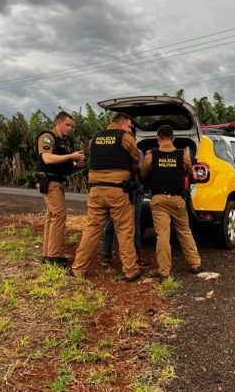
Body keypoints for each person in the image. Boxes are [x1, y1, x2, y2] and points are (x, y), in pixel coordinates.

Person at [71, 112, 141, 281]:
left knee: (92, 229)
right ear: (122, 123)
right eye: (130, 126)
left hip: (95, 191)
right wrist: (130, 175)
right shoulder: (125, 137)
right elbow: (136, 159)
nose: (130, 130)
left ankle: (78, 269)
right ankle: (131, 271)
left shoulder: (94, 138)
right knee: (124, 230)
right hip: (117, 191)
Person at [141, 124, 202, 281]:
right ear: (173, 138)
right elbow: (191, 172)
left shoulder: (151, 155)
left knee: (162, 235)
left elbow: (143, 174)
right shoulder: (183, 154)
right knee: (184, 230)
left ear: (158, 139)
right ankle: (195, 264)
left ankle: (164, 272)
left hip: (158, 200)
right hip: (177, 200)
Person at [35, 112, 85, 266]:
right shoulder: (47, 137)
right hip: (49, 181)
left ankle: (48, 254)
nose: (70, 128)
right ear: (59, 123)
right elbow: (47, 158)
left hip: (58, 181)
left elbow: (62, 163)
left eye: (71, 126)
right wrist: (71, 156)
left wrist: (76, 164)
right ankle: (53, 257)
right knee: (59, 215)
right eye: (67, 125)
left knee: (51, 217)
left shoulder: (63, 142)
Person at [101, 126, 148, 267]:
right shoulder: (138, 152)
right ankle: (136, 257)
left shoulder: (113, 152)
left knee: (111, 222)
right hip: (132, 191)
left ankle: (106, 256)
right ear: (134, 138)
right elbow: (141, 172)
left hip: (115, 190)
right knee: (133, 224)